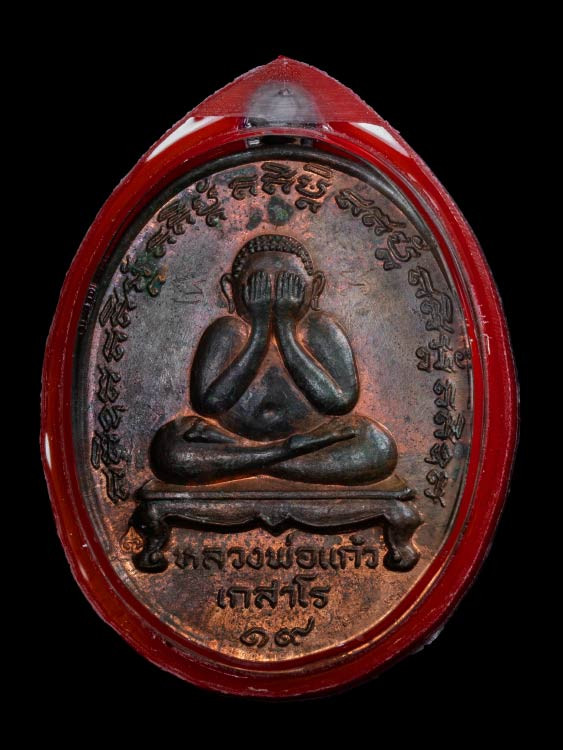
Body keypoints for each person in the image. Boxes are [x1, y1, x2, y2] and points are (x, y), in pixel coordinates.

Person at [150, 234, 397, 485]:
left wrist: (285, 330)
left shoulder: (320, 329)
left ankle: (249, 461)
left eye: (289, 285)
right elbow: (209, 403)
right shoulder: (227, 331)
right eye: (258, 285)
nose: (272, 298)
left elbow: (339, 403)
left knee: (377, 446)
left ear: (315, 288)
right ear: (230, 289)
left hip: (300, 438)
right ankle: (285, 454)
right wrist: (259, 330)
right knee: (170, 447)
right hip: (245, 437)